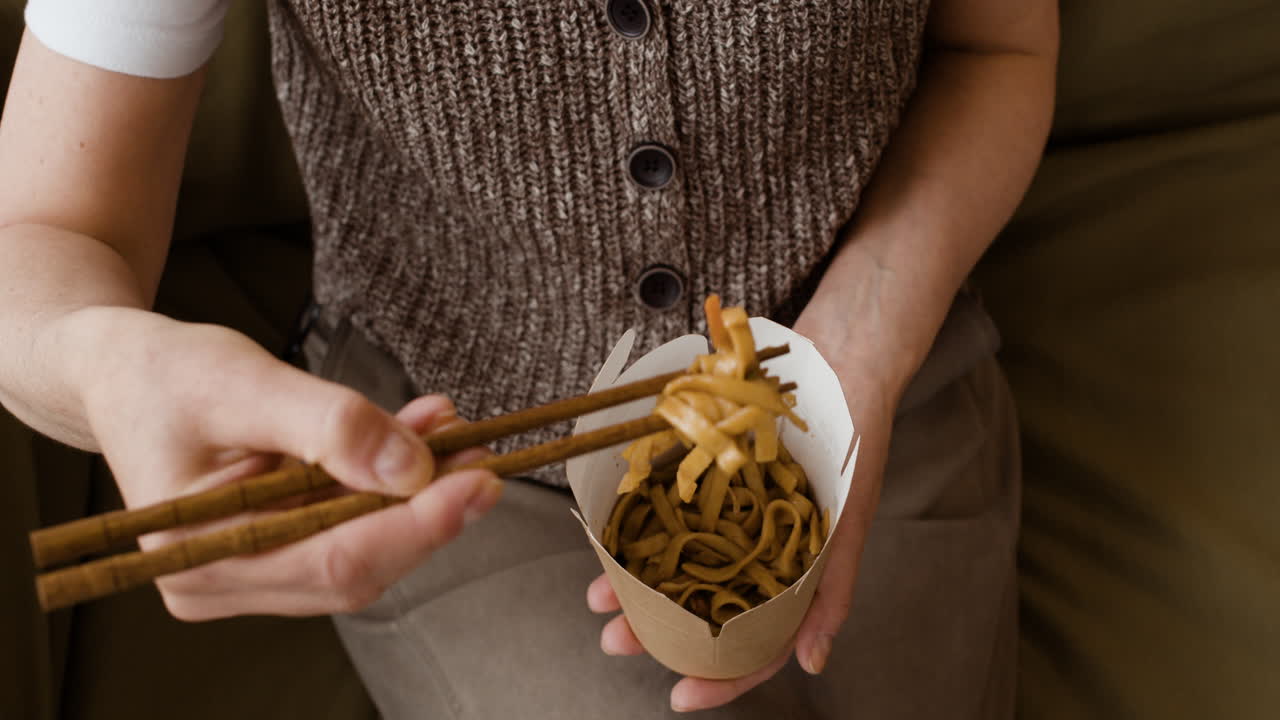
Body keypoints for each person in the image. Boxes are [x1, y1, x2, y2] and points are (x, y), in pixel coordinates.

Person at [0, 1, 1057, 717]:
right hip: (451, 449)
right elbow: (41, 238)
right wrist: (102, 363)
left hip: (885, 367)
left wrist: (862, 345)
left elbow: (994, 46)